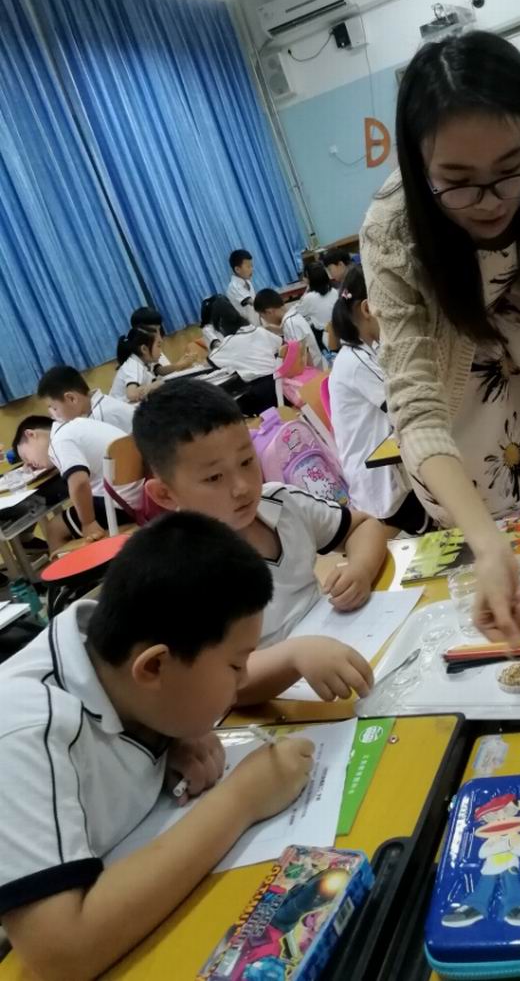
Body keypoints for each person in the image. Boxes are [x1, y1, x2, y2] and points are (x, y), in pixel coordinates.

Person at [360, 30, 520, 641]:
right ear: (419, 166)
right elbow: (415, 404)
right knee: (506, 599)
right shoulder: (393, 230)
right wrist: (488, 544)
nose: (492, 200)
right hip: (461, 441)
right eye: (458, 180)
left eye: (508, 171)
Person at [0, 512, 316, 980]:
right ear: (153, 668)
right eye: (236, 666)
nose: (243, 680)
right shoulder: (23, 731)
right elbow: (61, 954)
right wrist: (243, 799)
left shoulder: (119, 661)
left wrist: (171, 732)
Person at [132, 380, 389, 645]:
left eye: (246, 461)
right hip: (284, 670)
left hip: (344, 638)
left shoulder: (282, 502)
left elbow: (363, 526)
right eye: (214, 477)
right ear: (165, 494)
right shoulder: (179, 574)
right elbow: (207, 670)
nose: (242, 487)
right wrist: (292, 657)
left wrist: (361, 568)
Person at [329, 266, 432, 534]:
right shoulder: (355, 361)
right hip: (381, 482)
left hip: (388, 471)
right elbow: (402, 403)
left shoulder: (363, 352)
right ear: (367, 309)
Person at [14, 413, 143, 545]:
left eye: (26, 457)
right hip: (141, 493)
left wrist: (88, 523)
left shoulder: (59, 442)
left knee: (54, 529)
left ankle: (94, 558)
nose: (29, 464)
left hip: (122, 504)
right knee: (74, 513)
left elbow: (80, 483)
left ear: (30, 434)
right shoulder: (78, 424)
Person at [208, 296, 282, 415]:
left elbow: (212, 359)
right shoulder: (258, 330)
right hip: (281, 386)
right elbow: (280, 343)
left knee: (227, 409)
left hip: (261, 394)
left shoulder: (229, 342)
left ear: (220, 324)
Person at [38, 365, 134, 433]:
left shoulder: (101, 417)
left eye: (55, 408)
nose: (55, 416)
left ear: (71, 398)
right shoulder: (99, 406)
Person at [254, 288, 326, 370]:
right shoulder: (293, 315)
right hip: (316, 364)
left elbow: (303, 354)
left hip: (312, 370)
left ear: (269, 312)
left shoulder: (290, 324)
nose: (266, 321)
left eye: (263, 316)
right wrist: (271, 328)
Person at [130, 307, 195, 375]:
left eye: (159, 329)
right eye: (153, 330)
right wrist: (180, 364)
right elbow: (159, 371)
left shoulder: (154, 346)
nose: (158, 335)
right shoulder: (141, 352)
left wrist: (181, 364)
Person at [110, 327, 162, 403]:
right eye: (158, 345)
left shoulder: (144, 362)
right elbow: (132, 394)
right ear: (144, 349)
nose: (160, 350)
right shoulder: (133, 365)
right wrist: (157, 384)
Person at [298, 261, 338, 349]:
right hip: (340, 330)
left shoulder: (309, 297)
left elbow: (298, 312)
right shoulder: (334, 291)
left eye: (305, 276)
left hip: (324, 336)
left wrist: (307, 289)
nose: (303, 278)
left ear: (310, 279)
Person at [227, 248, 260, 327]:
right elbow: (252, 302)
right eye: (248, 267)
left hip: (256, 325)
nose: (251, 269)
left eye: (252, 266)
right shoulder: (234, 286)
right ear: (237, 269)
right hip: (246, 329)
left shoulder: (248, 282)